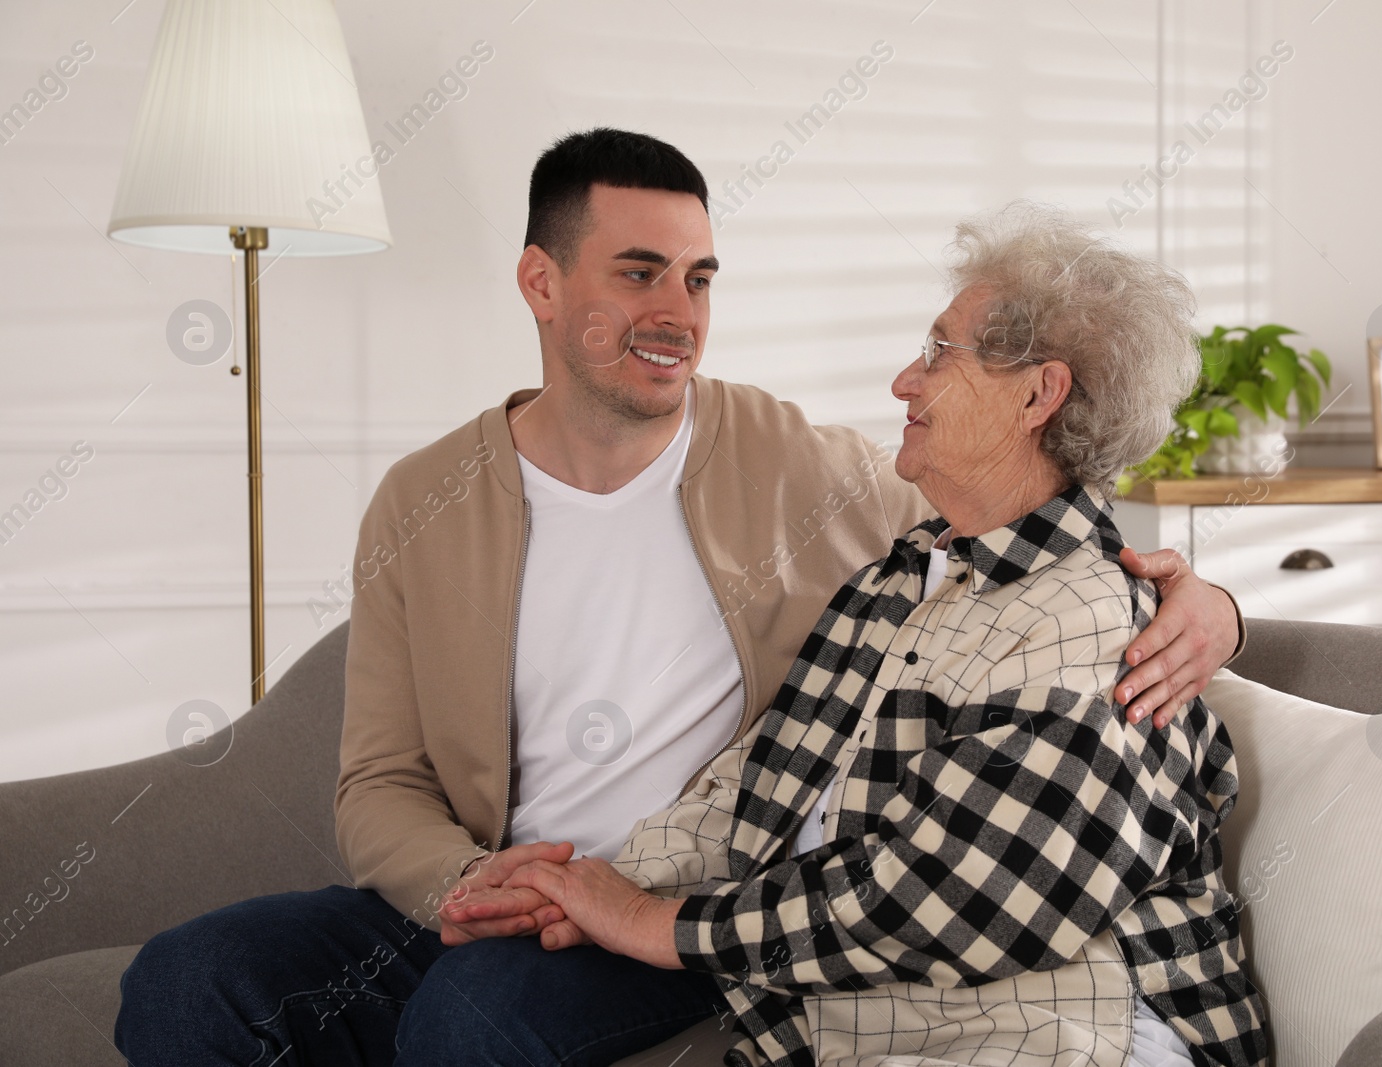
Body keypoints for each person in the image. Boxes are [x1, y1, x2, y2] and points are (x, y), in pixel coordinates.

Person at [115, 130, 1247, 1066]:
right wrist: (474, 884)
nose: (679, 310)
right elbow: (379, 779)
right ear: (540, 283)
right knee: (189, 980)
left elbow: (1046, 553)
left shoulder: (807, 469)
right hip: (500, 889)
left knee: (473, 1022)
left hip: (673, 909)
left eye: (699, 277)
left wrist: (1213, 608)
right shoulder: (424, 500)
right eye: (639, 271)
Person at [497, 202, 1269, 1067]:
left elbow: (963, 893)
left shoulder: (1089, 618)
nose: (906, 380)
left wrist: (651, 920)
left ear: (1037, 394)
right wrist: (568, 887)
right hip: (897, 1027)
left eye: (941, 351)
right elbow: (753, 796)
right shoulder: (896, 582)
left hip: (1080, 1033)